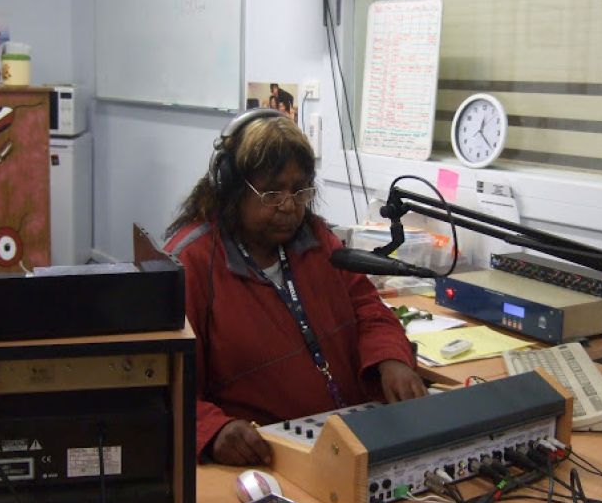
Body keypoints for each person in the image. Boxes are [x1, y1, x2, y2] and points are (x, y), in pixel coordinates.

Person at [163, 109, 426, 466]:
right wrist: (212, 431)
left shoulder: (318, 241)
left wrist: (391, 359)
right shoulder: (189, 262)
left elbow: (369, 310)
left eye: (299, 190)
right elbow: (162, 384)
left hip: (346, 444)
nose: (289, 205)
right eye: (271, 192)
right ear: (231, 188)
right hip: (265, 460)